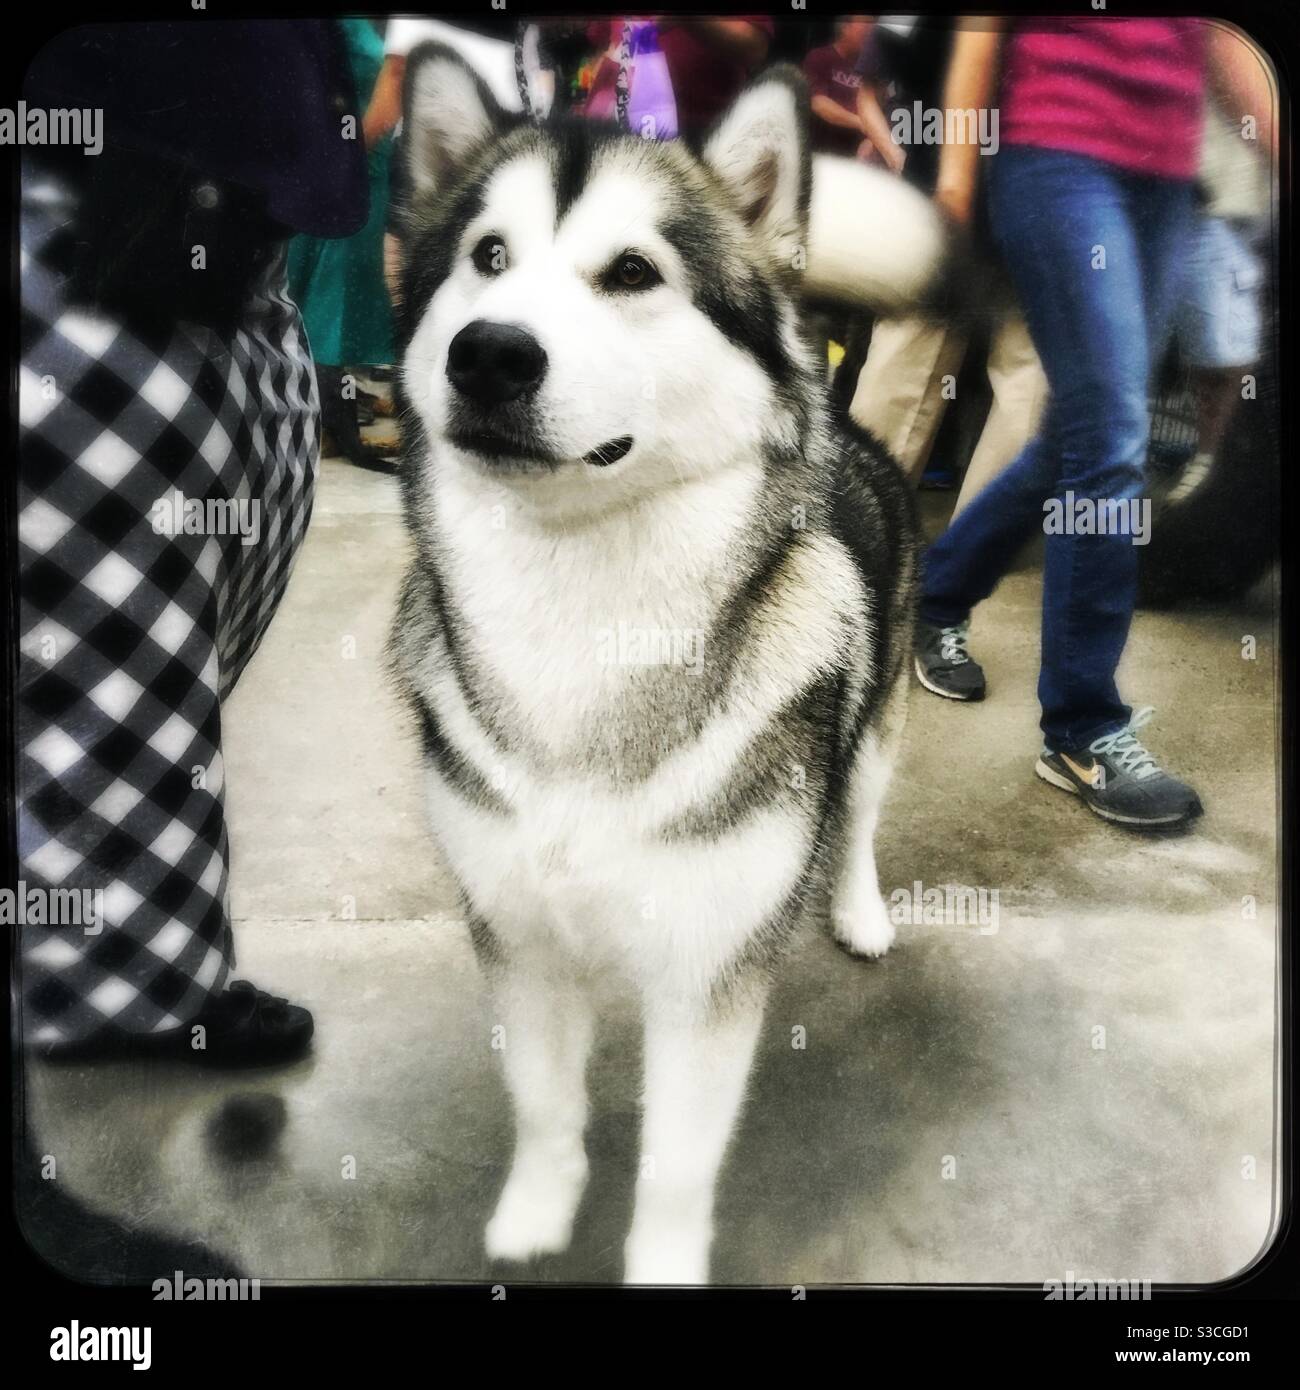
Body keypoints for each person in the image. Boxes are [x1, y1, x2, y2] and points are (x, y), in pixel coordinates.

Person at [19, 20, 368, 1061]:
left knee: (142, 644)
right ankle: (128, 992)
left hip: (194, 241)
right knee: (120, 658)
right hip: (109, 234)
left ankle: (107, 959)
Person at [913, 16, 1274, 830]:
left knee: (1075, 441)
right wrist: (955, 185)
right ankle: (1084, 729)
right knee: (1111, 441)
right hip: (1059, 163)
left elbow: (1221, 41)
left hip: (1166, 182)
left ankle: (934, 598)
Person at [847, 15, 1048, 505]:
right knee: (1026, 371)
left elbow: (890, 60)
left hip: (956, 180)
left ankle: (858, 531)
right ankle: (977, 550)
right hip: (1038, 184)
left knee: (906, 361)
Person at [288, 17, 397, 470]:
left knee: (330, 300)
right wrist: (344, 158)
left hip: (352, 169)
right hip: (347, 172)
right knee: (331, 305)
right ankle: (339, 430)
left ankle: (330, 422)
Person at [802, 16, 873, 157]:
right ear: (845, 27)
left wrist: (872, 138)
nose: (871, 30)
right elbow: (818, 103)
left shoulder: (871, 72)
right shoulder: (819, 57)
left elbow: (881, 111)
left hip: (855, 160)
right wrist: (864, 124)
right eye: (867, 23)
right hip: (818, 153)